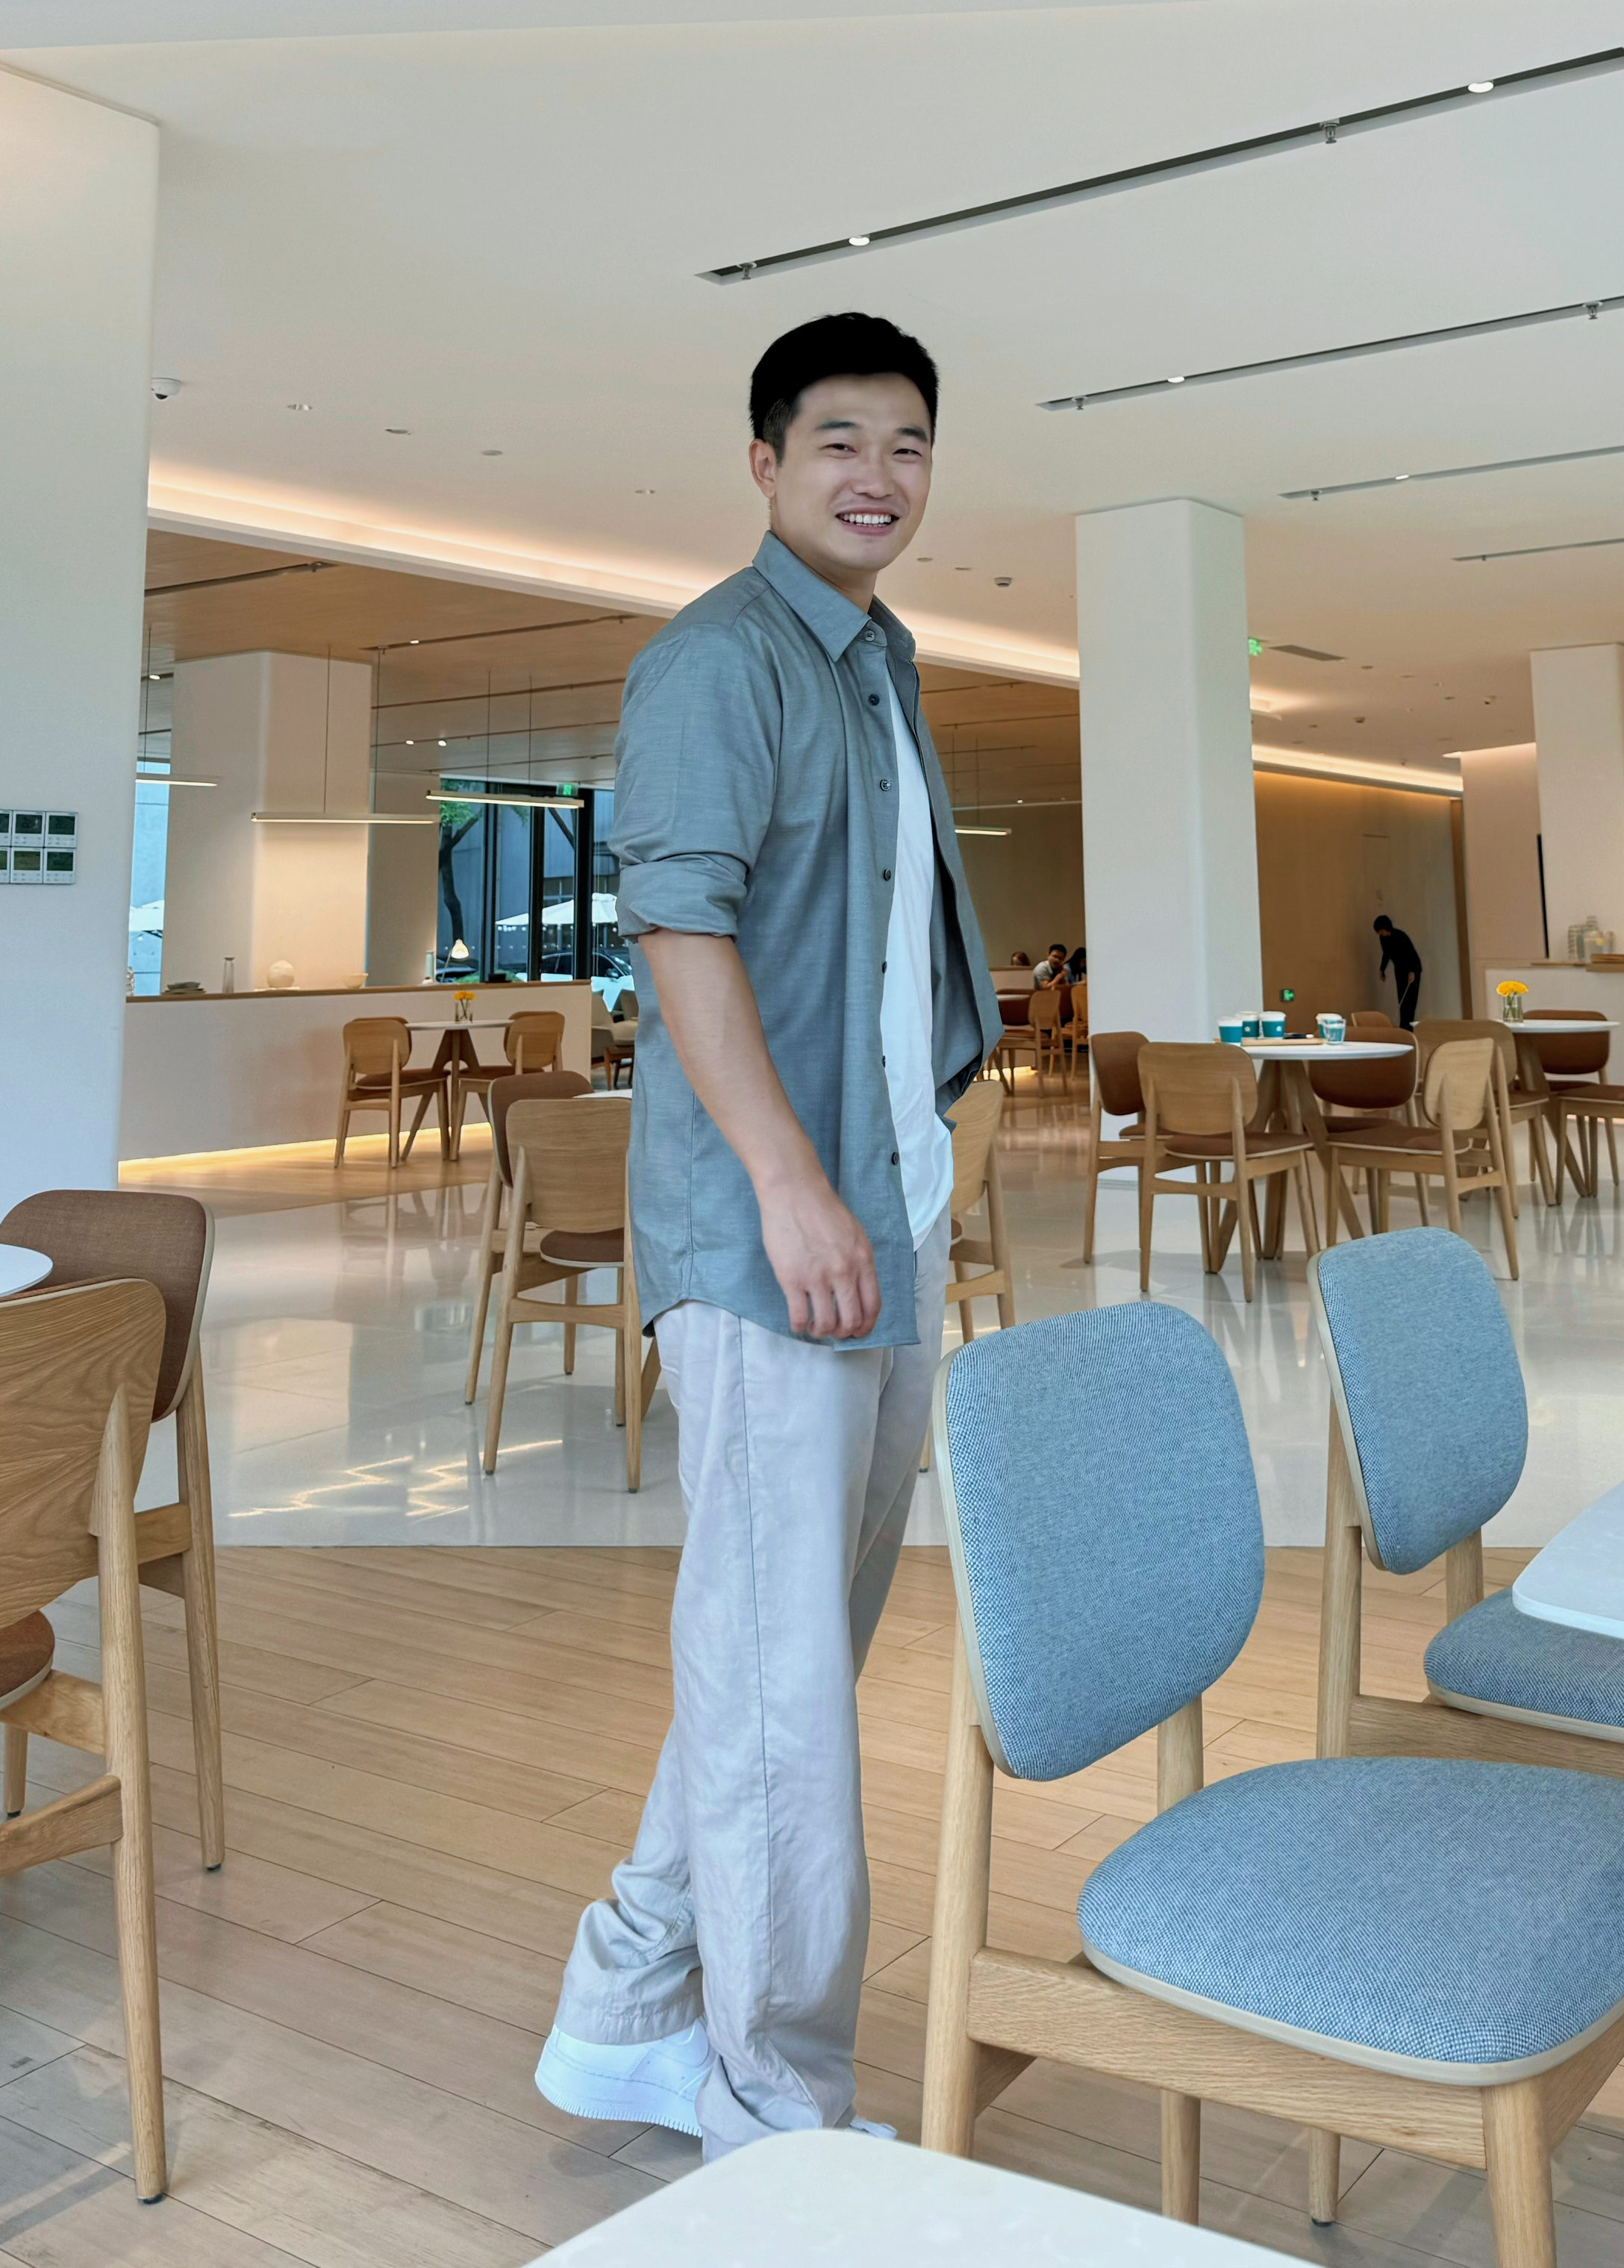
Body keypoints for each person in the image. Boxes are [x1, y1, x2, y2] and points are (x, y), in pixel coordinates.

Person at [535, 311, 1000, 2158]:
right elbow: (681, 933)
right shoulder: (718, 660)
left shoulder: (882, 662)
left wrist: (901, 1180)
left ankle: (628, 1998)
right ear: (764, 462)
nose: (878, 475)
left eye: (908, 443)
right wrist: (793, 1181)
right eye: (839, 441)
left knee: (781, 1659)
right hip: (769, 1242)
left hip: (888, 1223)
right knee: (781, 1685)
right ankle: (773, 2100)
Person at [1373, 913, 1422, 1029]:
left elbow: (1410, 953)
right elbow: (1386, 954)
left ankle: (1409, 1027)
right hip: (1400, 969)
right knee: (1402, 998)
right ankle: (1403, 1025)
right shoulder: (1383, 939)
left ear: (1386, 928)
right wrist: (1382, 969)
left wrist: (1412, 972)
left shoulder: (1401, 936)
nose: (1381, 934)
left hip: (1413, 969)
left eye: (1381, 931)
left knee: (1410, 999)